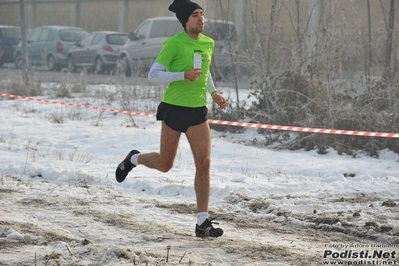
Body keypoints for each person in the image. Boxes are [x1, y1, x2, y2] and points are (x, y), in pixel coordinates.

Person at [115, 0, 227, 238]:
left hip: (198, 111)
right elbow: (153, 74)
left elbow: (204, 73)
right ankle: (133, 159)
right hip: (174, 110)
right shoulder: (174, 43)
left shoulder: (208, 43)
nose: (201, 18)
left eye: (202, 14)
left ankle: (202, 222)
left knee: (204, 162)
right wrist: (181, 75)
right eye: (195, 15)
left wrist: (214, 93)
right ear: (186, 21)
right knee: (166, 164)